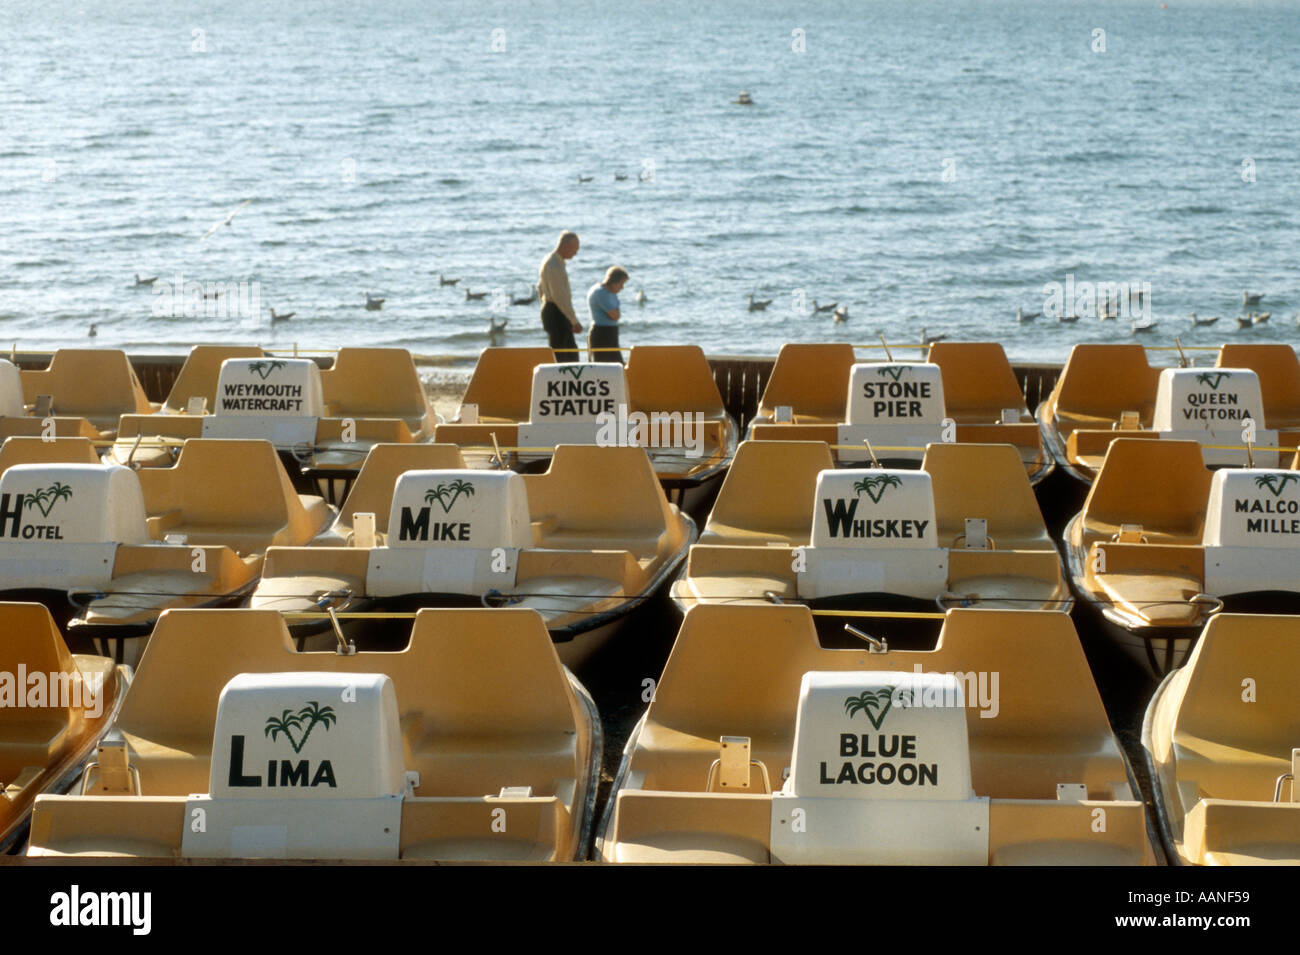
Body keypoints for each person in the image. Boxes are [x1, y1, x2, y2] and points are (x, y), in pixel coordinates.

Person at [538, 231, 581, 361]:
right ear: (566, 246)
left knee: (564, 353)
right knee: (565, 356)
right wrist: (574, 320)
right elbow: (560, 297)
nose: (575, 253)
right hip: (556, 312)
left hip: (551, 309)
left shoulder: (551, 260)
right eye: (574, 249)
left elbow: (540, 288)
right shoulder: (554, 265)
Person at [587, 266, 627, 364]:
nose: (622, 287)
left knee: (618, 366)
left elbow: (617, 314)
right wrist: (616, 313)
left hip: (611, 332)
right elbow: (615, 315)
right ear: (614, 281)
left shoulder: (612, 293)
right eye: (621, 284)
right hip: (601, 332)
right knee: (602, 367)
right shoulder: (600, 292)